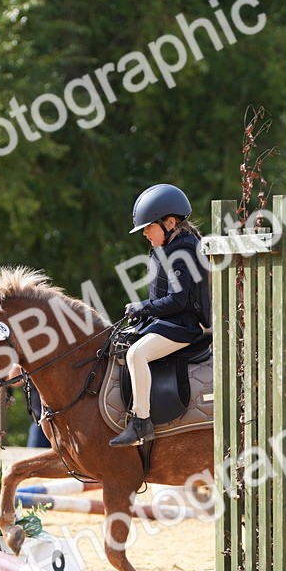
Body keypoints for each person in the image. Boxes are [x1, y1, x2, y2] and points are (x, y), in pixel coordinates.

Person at [110, 184, 211, 448]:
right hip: (166, 322)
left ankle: (141, 423)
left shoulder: (182, 253)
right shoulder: (165, 248)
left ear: (169, 222)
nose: (144, 233)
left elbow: (177, 301)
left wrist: (142, 307)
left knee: (137, 354)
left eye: (148, 227)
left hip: (184, 326)